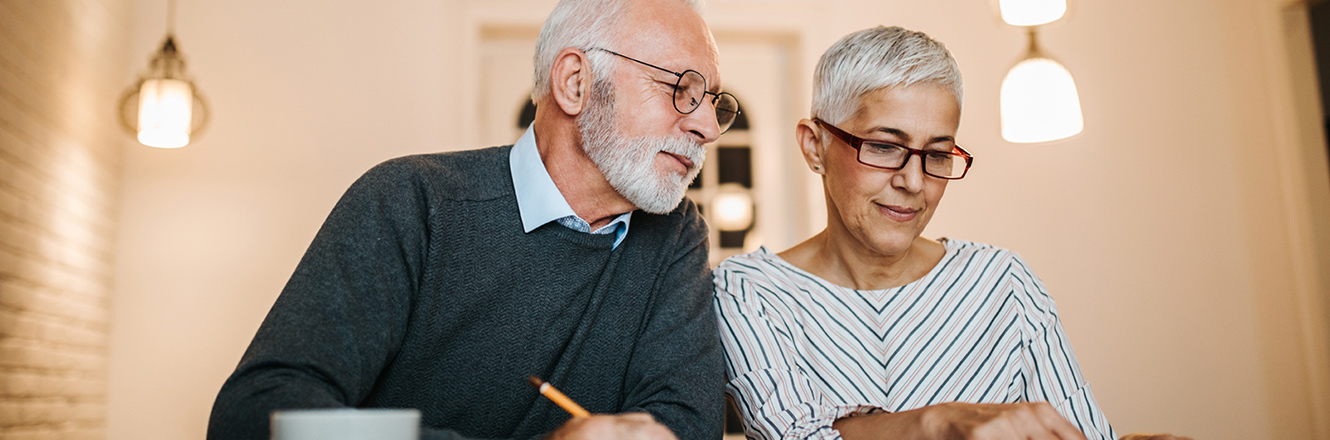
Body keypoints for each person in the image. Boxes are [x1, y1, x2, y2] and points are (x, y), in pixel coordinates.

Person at [207, 0, 742, 439]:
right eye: (681, 89)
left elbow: (683, 429)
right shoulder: (412, 202)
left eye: (712, 102)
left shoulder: (674, 234)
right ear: (575, 82)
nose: (706, 128)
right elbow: (254, 416)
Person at [713, 26, 1188, 440]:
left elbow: (1076, 432)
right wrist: (935, 425)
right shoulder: (749, 291)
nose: (914, 182)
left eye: (937, 154)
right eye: (883, 146)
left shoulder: (1002, 282)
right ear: (814, 146)